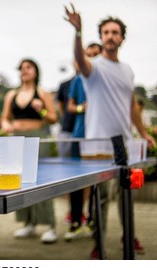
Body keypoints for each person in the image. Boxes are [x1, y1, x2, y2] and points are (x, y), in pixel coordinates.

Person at [64, 4, 156, 258]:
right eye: (106, 32)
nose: (110, 36)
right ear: (101, 36)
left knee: (128, 195)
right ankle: (98, 244)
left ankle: (129, 236)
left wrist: (143, 132)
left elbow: (132, 107)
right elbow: (80, 60)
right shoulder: (93, 68)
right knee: (101, 197)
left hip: (123, 143)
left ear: (122, 38)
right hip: (97, 143)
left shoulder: (128, 71)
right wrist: (78, 33)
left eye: (115, 32)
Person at [1, 58, 58, 244]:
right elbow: (5, 118)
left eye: (28, 67)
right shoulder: (12, 95)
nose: (24, 70)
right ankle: (28, 223)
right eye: (21, 68)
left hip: (37, 138)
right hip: (16, 138)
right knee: (20, 180)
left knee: (41, 180)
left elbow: (53, 118)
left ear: (36, 71)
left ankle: (51, 226)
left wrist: (41, 111)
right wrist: (7, 126)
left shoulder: (42, 93)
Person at [63, 43, 102, 241]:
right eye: (89, 55)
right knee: (77, 181)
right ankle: (76, 222)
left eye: (96, 56)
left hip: (100, 139)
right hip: (80, 135)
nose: (91, 59)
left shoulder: (105, 80)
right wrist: (82, 108)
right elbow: (70, 107)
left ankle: (95, 223)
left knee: (98, 183)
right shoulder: (78, 80)